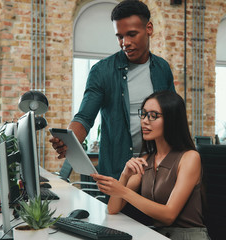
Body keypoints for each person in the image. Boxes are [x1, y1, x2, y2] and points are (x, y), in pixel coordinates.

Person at [50, 0, 175, 179]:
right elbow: (84, 117)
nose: (125, 43)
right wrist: (69, 141)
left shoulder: (162, 69)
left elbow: (173, 118)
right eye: (120, 36)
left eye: (132, 34)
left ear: (149, 29)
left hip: (158, 171)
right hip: (119, 172)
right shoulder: (102, 71)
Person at [91, 91, 210, 240]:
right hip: (157, 236)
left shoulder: (190, 158)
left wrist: (123, 191)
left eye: (153, 116)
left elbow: (168, 215)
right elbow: (113, 209)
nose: (145, 121)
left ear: (172, 120)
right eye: (144, 114)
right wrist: (124, 175)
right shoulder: (146, 159)